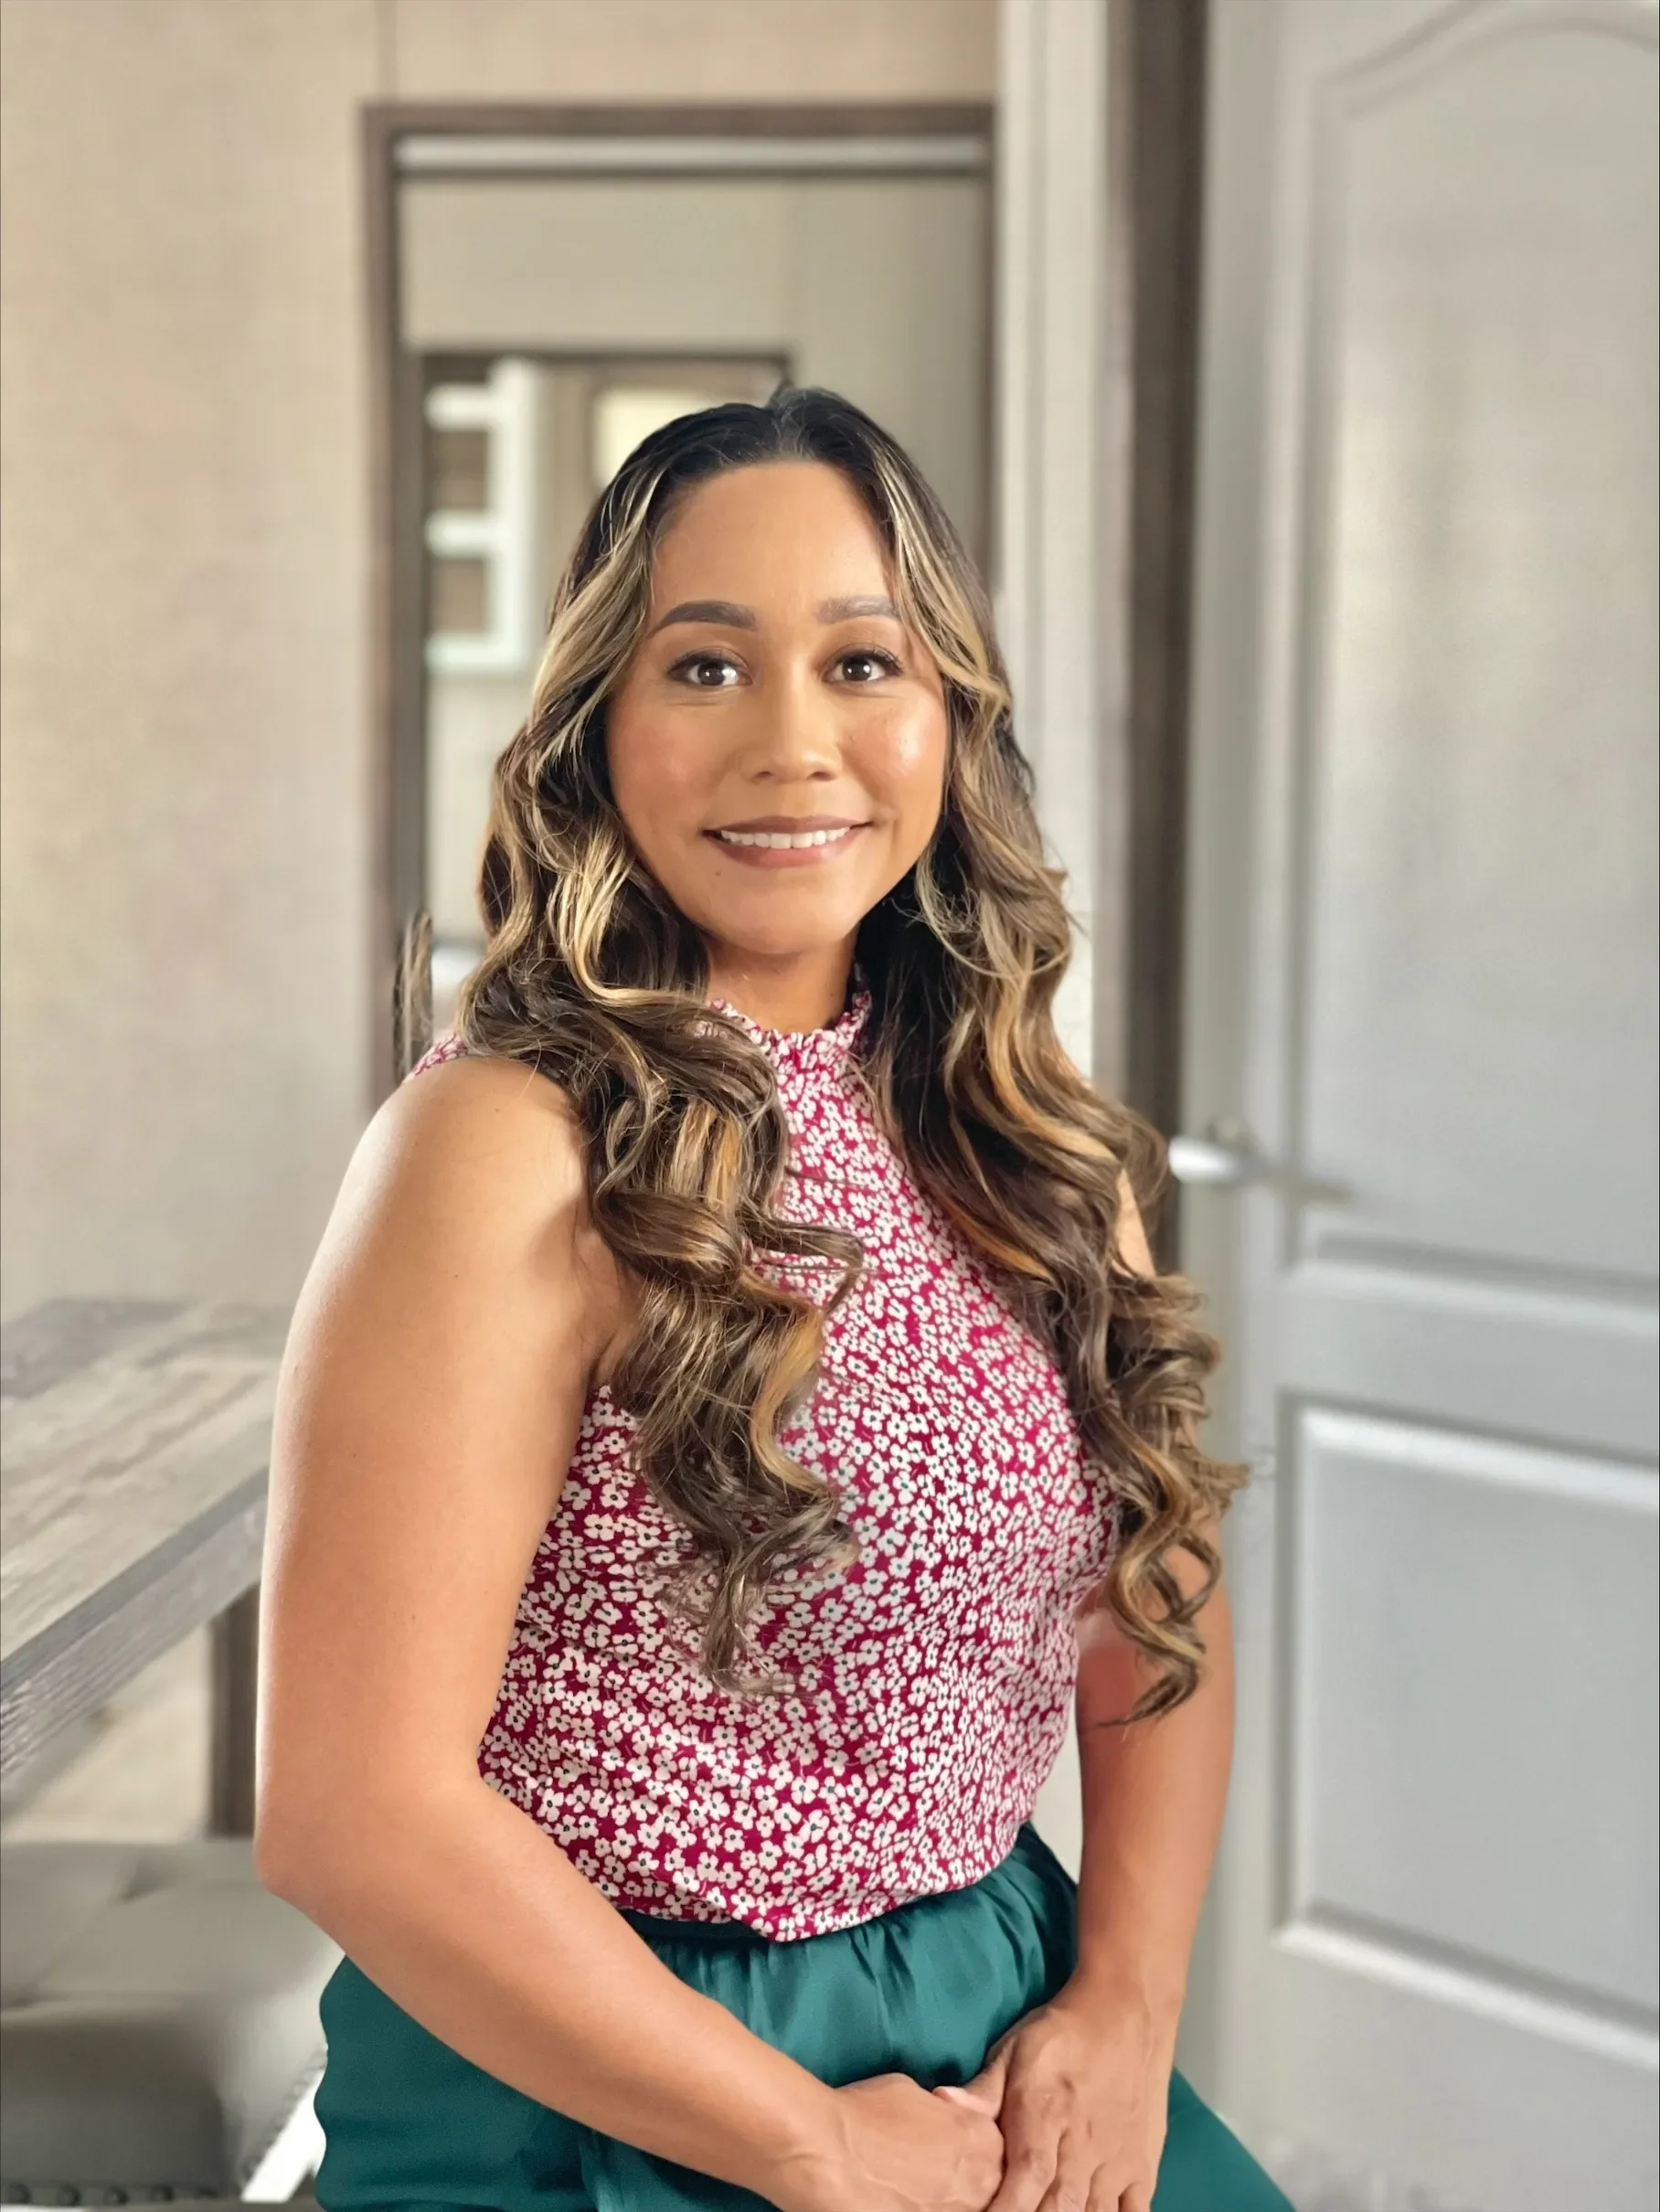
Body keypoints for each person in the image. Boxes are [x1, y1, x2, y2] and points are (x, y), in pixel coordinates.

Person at [256, 387, 1292, 2212]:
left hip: (988, 1998)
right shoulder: (504, 1141)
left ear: (945, 714)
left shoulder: (1016, 1124)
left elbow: (1157, 1592)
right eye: (706, 667)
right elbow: (353, 1810)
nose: (792, 743)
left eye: (861, 660)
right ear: (595, 729)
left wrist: (1124, 2009)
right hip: (586, 2065)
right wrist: (808, 2142)